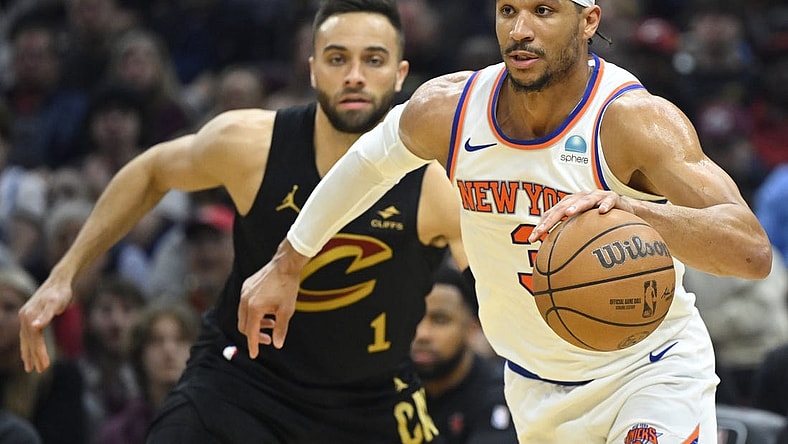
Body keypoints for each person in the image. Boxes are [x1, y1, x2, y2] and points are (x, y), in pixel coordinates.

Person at [238, 0, 773, 442]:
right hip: (531, 383)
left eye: (543, 11)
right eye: (507, 11)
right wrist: (288, 263)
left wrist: (637, 211)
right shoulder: (450, 108)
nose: (520, 30)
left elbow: (751, 251)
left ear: (589, 21)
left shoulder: (633, 120)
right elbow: (367, 166)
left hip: (648, 373)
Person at [19, 1, 466, 443]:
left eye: (373, 59)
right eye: (337, 58)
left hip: (370, 399)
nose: (354, 75)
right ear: (311, 70)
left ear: (400, 74)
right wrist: (65, 274)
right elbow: (151, 171)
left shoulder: (436, 184)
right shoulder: (253, 145)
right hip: (243, 381)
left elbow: (496, 282)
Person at [412, 264, 517, 444]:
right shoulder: (388, 389)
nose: (422, 334)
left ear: (472, 328)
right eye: (414, 318)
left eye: (440, 320)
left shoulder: (504, 393)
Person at [97, 302, 199, 444]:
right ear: (140, 353)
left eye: (180, 339)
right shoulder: (120, 432)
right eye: (157, 340)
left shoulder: (212, 422)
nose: (169, 350)